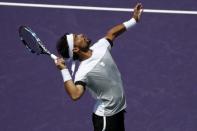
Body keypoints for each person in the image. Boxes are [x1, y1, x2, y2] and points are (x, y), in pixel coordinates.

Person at [54, 3, 143, 131]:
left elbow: (111, 34)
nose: (80, 34)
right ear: (75, 48)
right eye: (76, 37)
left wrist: (133, 20)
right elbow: (75, 94)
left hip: (118, 112)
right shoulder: (83, 72)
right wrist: (63, 69)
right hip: (106, 119)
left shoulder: (100, 46)